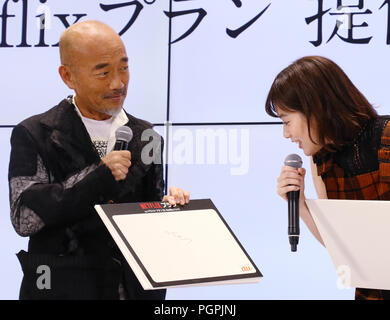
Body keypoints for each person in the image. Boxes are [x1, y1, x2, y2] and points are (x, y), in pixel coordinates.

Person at [8, 20, 190, 300]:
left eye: (124, 68)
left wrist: (167, 210)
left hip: (131, 290)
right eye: (103, 72)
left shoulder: (146, 135)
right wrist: (98, 176)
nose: (118, 83)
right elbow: (25, 219)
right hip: (62, 289)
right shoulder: (34, 133)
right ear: (68, 76)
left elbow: (147, 213)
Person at [265, 55, 390, 300]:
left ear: (314, 110)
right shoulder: (321, 159)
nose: (286, 133)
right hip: (372, 290)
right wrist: (300, 204)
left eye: (287, 121)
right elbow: (341, 245)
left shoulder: (385, 137)